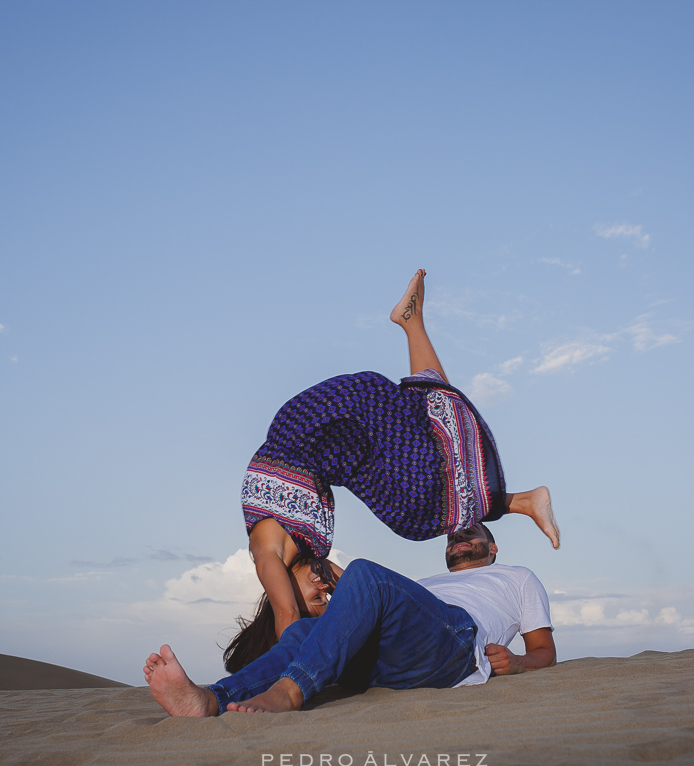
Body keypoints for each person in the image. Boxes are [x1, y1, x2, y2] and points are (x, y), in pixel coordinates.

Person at [244, 269, 561, 641]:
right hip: (342, 438)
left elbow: (286, 614)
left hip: (314, 425)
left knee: (418, 508)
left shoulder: (267, 558)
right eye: (325, 597)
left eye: (316, 599)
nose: (322, 587)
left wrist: (290, 675)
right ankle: (412, 321)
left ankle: (519, 502)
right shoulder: (307, 556)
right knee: (425, 460)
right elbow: (365, 594)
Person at [143, 523, 556, 715]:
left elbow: (544, 651)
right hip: (402, 661)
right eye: (452, 538)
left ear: (493, 546)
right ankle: (209, 698)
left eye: (470, 534)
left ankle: (291, 691)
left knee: (364, 572)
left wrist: (519, 663)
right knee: (307, 628)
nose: (459, 540)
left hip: (457, 643)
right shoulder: (425, 583)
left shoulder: (517, 577)